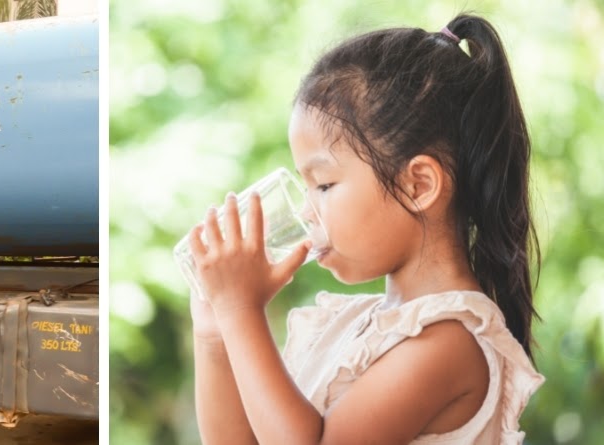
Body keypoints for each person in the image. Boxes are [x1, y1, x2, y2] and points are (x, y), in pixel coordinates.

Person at [187, 14, 544, 445]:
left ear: (418, 185)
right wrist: (215, 335)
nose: (306, 210)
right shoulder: (347, 327)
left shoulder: (448, 343)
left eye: (323, 185)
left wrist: (242, 313)